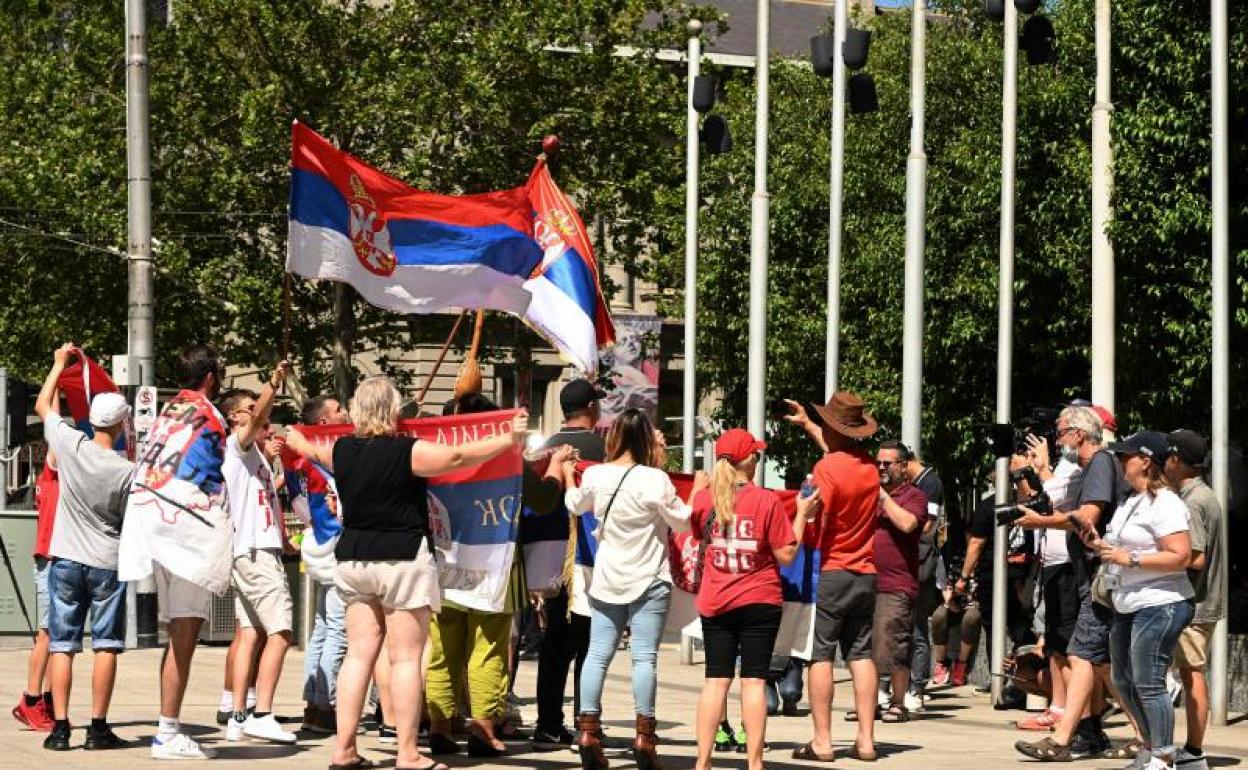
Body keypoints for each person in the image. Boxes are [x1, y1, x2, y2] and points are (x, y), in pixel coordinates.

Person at [284, 376, 527, 770]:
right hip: (402, 559)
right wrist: (507, 439)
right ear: (392, 410)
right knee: (405, 659)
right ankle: (408, 752)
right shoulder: (408, 451)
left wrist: (299, 443)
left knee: (358, 656)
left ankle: (343, 749)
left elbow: (314, 451)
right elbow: (457, 458)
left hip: (353, 560)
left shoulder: (342, 450)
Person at [423, 393, 564, 758]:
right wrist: (554, 471)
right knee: (487, 650)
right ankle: (483, 729)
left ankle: (439, 725)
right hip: (496, 567)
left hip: (445, 563)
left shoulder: (435, 453)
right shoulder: (508, 457)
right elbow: (545, 501)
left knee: (442, 650)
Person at [564, 408, 706, 770]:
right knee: (645, 659)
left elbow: (574, 504)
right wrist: (701, 492)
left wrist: (567, 475)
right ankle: (645, 735)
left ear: (612, 438)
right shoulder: (655, 480)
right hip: (649, 580)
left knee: (596, 656)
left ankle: (588, 730)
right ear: (646, 439)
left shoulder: (595, 474)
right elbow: (683, 523)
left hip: (608, 580)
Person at [119, 345, 233, 760]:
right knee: (184, 634)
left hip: (149, 519)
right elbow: (214, 470)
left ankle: (168, 726)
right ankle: (167, 731)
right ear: (209, 378)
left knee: (176, 635)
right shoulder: (211, 416)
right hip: (183, 529)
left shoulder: (170, 410)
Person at [33, 344, 135, 751]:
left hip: (66, 558)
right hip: (107, 561)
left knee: (63, 644)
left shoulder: (72, 446)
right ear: (123, 425)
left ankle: (60, 728)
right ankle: (98, 727)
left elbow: (43, 404)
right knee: (106, 644)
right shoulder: (127, 471)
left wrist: (58, 365)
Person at [690, 428, 807, 770]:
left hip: (716, 601)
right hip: (759, 599)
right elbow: (787, 555)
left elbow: (696, 535)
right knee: (753, 681)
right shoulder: (766, 500)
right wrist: (802, 514)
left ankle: (702, 762)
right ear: (749, 460)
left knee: (715, 681)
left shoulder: (704, 499)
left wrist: (698, 491)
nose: (758, 457)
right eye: (755, 453)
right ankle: (755, 763)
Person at [1016, 406, 1123, 761]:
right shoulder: (1089, 467)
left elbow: (1087, 519)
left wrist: (1042, 521)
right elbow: (1075, 515)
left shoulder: (1100, 463)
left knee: (1083, 656)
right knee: (1095, 660)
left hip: (1097, 574)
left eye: (1061, 433)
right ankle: (1098, 733)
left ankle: (1064, 739)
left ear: (1078, 434)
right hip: (1089, 575)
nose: (1058, 439)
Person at [783, 391, 881, 763]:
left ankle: (823, 741)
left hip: (833, 569)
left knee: (820, 655)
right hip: (866, 571)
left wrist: (801, 511)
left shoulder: (826, 469)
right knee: (861, 655)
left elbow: (816, 515)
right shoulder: (870, 467)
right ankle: (866, 740)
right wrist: (809, 424)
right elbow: (840, 454)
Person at [1095, 431, 1195, 770]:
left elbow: (1181, 556)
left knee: (1150, 682)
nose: (1120, 462)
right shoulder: (1131, 501)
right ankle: (1151, 745)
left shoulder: (1166, 503)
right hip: (1128, 601)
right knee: (1122, 679)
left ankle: (1164, 754)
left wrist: (1130, 560)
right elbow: (1124, 547)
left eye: (1125, 456)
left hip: (1160, 601)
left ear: (1145, 460)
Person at [220, 363, 297, 745]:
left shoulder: (254, 456)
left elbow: (262, 495)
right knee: (281, 632)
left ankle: (238, 714)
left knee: (250, 633)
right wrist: (273, 383)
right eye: (253, 411)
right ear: (236, 416)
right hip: (255, 552)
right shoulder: (237, 445)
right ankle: (262, 713)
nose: (263, 418)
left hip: (252, 549)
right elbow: (259, 414)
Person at [530, 379, 606, 752]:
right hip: (589, 559)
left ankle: (547, 724)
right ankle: (586, 723)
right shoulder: (606, 449)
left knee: (554, 641)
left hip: (548, 557)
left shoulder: (542, 449)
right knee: (589, 644)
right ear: (591, 408)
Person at [1016, 433, 1084, 732]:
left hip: (1069, 564)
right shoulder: (1067, 466)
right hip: (1052, 563)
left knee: (1069, 645)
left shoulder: (1082, 467)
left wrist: (1044, 470)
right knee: (1054, 642)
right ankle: (1058, 707)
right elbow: (1043, 502)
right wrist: (1029, 472)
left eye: (1063, 429)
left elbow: (1062, 506)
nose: (1057, 437)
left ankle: (1076, 714)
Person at [1166, 429, 1224, 770]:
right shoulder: (1205, 495)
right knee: (1190, 673)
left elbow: (1196, 556)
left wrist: (1151, 556)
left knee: (1191, 675)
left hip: (1196, 602)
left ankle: (1194, 750)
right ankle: (1191, 749)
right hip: (1203, 601)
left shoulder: (1193, 500)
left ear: (1176, 460)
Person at [294, 395, 351, 735]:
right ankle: (327, 705)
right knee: (337, 633)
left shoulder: (300, 460)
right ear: (326, 423)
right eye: (339, 410)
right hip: (335, 547)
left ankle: (313, 705)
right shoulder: (325, 462)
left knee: (321, 629)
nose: (346, 413)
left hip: (318, 544)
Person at [869, 440, 929, 722]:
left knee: (894, 645)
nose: (881, 467)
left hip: (896, 585)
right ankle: (867, 702)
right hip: (865, 581)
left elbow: (907, 524)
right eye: (878, 462)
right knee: (865, 648)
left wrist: (883, 498)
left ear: (903, 467)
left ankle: (898, 702)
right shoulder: (868, 495)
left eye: (887, 463)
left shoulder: (914, 496)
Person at [12, 440, 59, 732]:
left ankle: (51, 702)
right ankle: (30, 700)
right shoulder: (53, 475)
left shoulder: (52, 478)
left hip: (58, 559)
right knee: (48, 634)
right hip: (50, 560)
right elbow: (54, 434)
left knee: (59, 640)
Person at [904, 449, 944, 711]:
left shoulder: (929, 483)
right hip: (912, 564)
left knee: (917, 629)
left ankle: (917, 686)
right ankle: (908, 684)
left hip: (921, 565)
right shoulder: (918, 483)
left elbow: (927, 525)